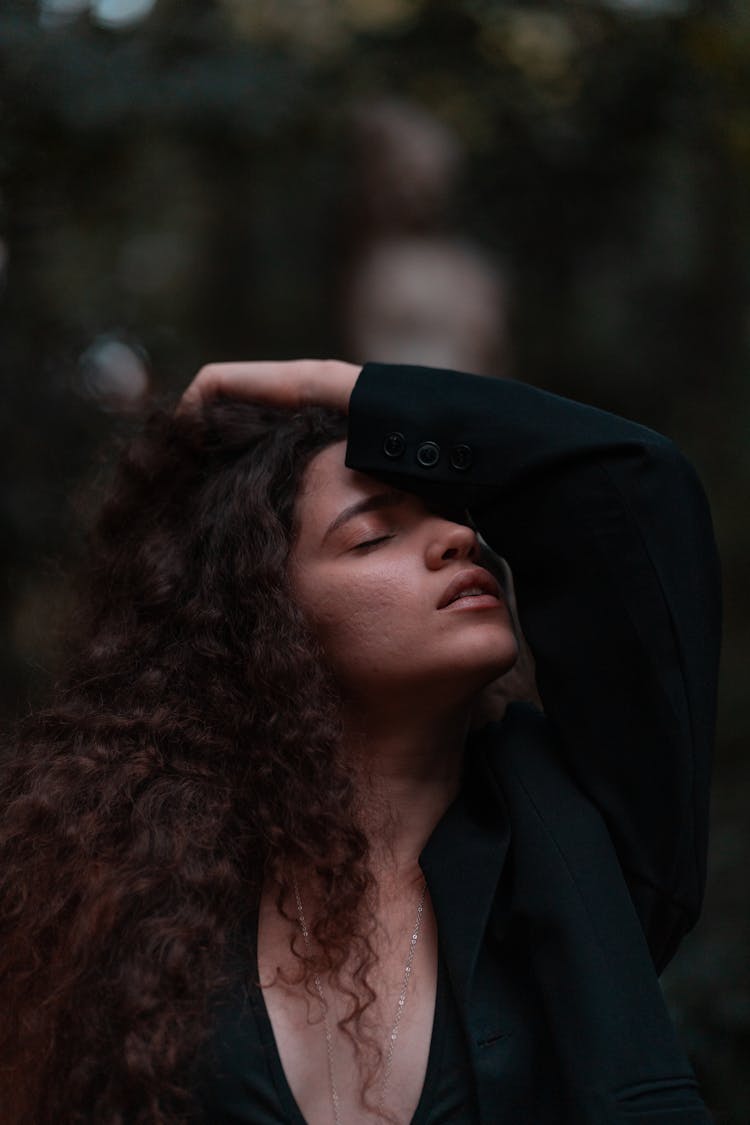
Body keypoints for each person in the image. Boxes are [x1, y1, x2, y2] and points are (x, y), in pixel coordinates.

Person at [0, 358, 721, 1125]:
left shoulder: (582, 849)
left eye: (454, 514)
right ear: (261, 622)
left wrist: (339, 386)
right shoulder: (134, 887)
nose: (457, 538)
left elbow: (637, 485)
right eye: (374, 535)